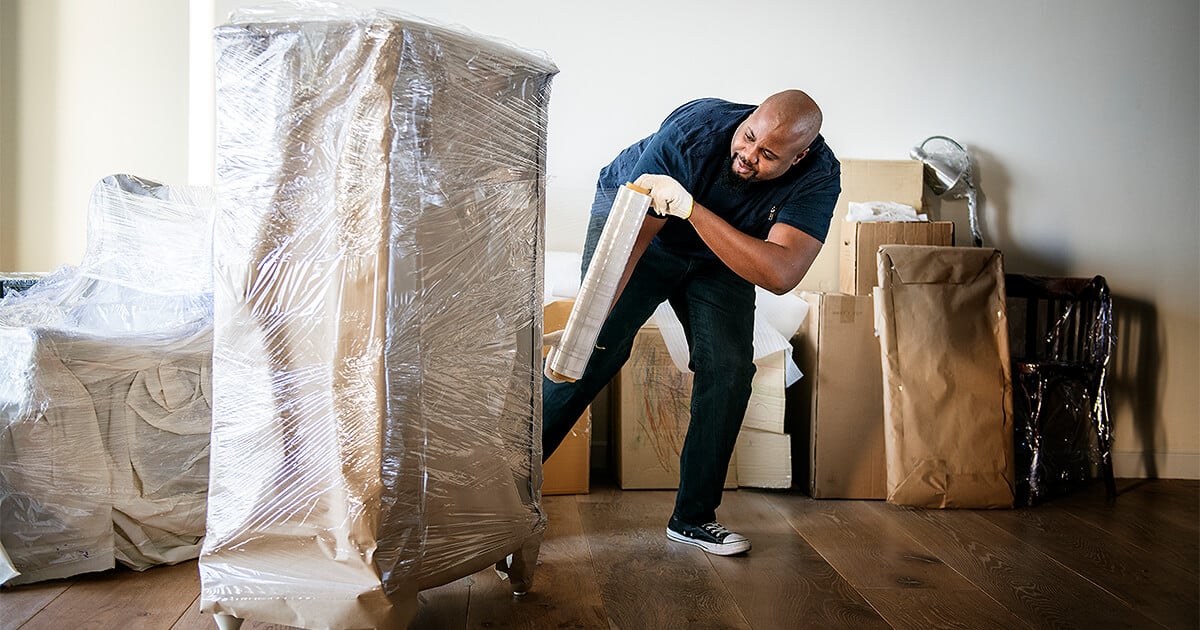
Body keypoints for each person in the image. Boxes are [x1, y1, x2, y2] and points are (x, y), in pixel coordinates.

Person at [543, 89, 840, 556]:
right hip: (640, 223)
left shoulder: (820, 177)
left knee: (730, 369)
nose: (747, 156)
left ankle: (694, 518)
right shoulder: (693, 133)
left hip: (719, 246)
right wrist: (589, 318)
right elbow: (635, 239)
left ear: (799, 157)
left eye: (767, 155)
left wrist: (693, 210)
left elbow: (782, 273)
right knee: (594, 351)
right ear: (748, 118)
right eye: (747, 137)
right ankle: (504, 498)